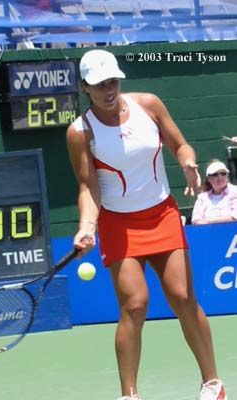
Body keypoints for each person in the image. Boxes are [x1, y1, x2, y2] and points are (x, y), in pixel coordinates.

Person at [66, 49, 227, 400]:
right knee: (134, 305)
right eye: (99, 85)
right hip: (118, 224)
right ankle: (129, 394)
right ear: (84, 88)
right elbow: (88, 186)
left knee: (184, 297)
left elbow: (180, 145)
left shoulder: (149, 105)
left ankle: (212, 383)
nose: (109, 89)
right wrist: (87, 226)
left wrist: (188, 163)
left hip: (162, 214)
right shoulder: (80, 132)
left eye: (113, 81)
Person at [192, 159, 237, 225]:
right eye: (215, 174)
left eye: (223, 173)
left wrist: (208, 221)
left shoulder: (235, 191)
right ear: (208, 179)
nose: (220, 177)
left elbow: (235, 217)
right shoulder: (202, 198)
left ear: (227, 176)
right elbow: (196, 221)